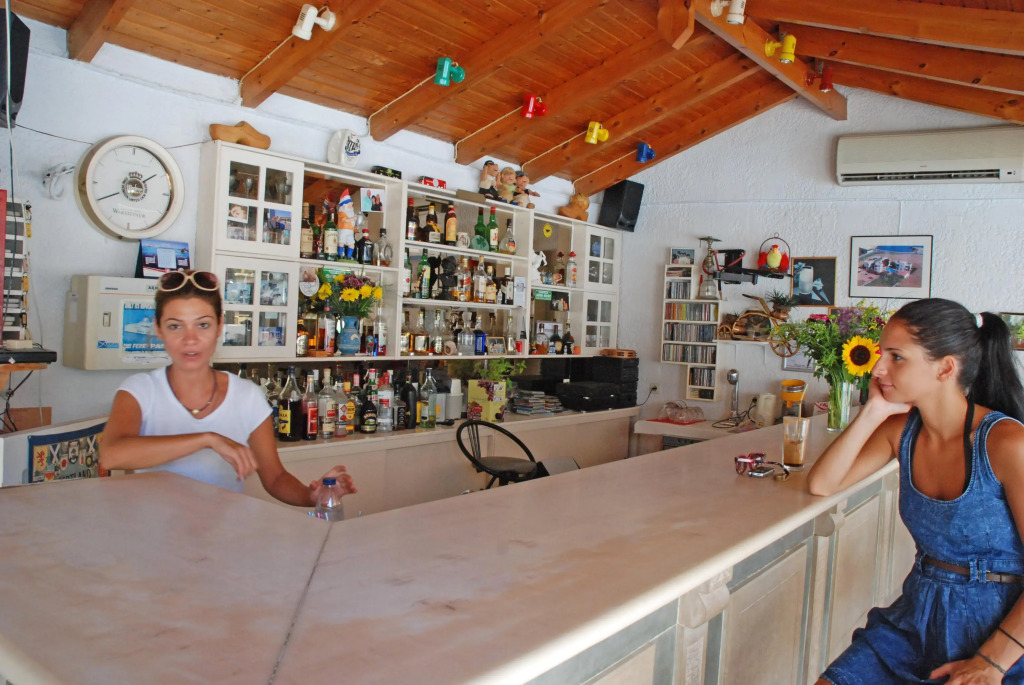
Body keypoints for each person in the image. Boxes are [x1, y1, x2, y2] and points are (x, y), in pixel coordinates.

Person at [807, 298, 1024, 684]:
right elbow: (823, 484)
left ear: (945, 368)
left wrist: (992, 662)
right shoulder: (901, 432)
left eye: (896, 357)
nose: (878, 369)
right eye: (881, 354)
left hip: (1001, 633)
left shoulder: (1006, 443)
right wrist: (874, 410)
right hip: (916, 617)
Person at [100, 269, 356, 507]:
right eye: (175, 326)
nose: (190, 339)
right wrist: (208, 439)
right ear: (158, 329)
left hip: (225, 535)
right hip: (153, 537)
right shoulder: (140, 391)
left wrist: (311, 496)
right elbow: (111, 455)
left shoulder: (246, 396)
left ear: (220, 326)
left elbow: (276, 478)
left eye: (203, 324)